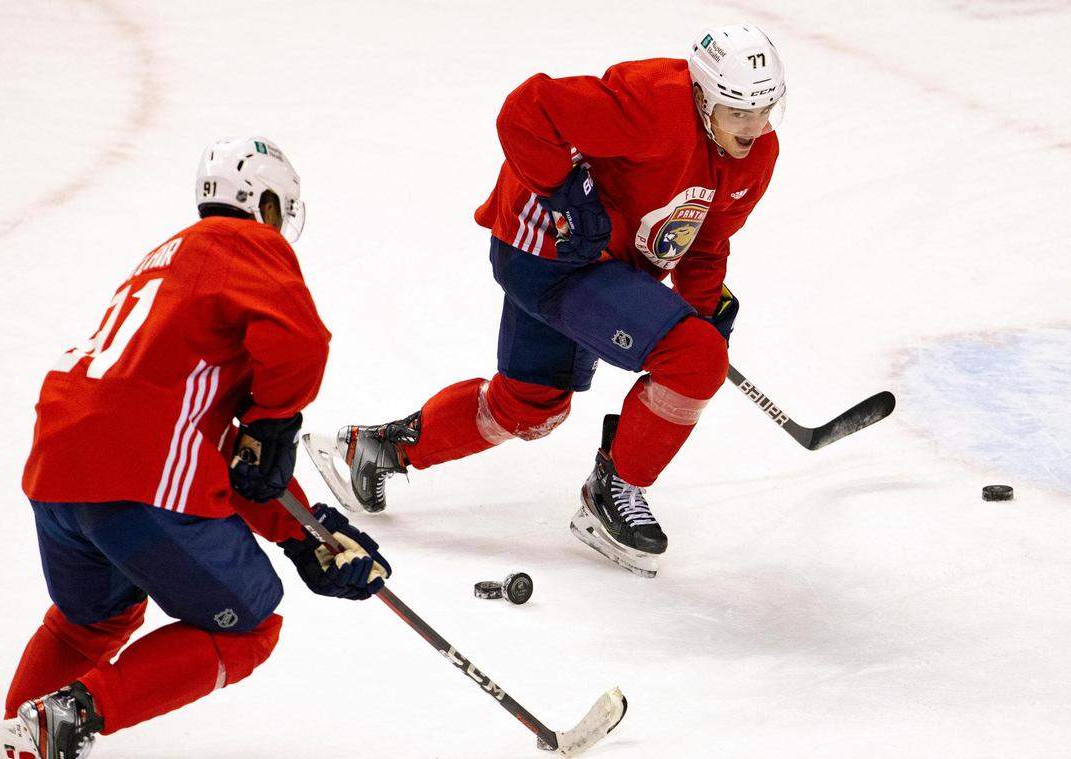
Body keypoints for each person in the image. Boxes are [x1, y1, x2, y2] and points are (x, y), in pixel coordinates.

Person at [321, 25, 786, 578]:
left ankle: (374, 450)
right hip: (545, 251)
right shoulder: (652, 102)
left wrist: (705, 309)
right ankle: (614, 489)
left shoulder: (754, 157)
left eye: (765, 110)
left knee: (531, 406)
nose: (755, 128)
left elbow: (703, 240)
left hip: (599, 262)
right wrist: (567, 193)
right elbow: (527, 110)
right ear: (704, 94)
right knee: (695, 359)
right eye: (738, 112)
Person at [0, 137, 391, 759]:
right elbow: (300, 343)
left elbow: (223, 444)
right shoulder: (243, 244)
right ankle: (71, 718)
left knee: (92, 621)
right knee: (249, 628)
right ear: (263, 200)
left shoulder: (170, 263)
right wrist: (277, 420)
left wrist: (304, 533)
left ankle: (25, 740)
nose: (282, 228)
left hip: (59, 466)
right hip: (136, 470)